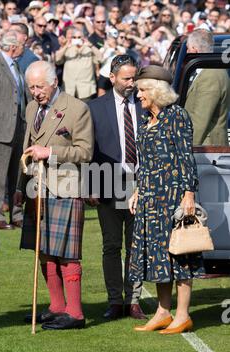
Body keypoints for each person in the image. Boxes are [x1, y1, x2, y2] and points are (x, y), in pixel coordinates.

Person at [16, 61, 94, 330]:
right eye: (31, 87)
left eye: (40, 86)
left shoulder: (77, 108)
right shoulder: (30, 108)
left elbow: (85, 152)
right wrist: (19, 187)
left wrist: (50, 153)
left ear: (54, 82)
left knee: (67, 254)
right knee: (45, 251)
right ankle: (56, 307)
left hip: (65, 188)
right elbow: (26, 148)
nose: (36, 92)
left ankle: (75, 313)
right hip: (35, 190)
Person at [128, 65, 205, 334]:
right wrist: (138, 190)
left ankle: (182, 315)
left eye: (142, 89)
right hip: (150, 197)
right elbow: (145, 163)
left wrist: (189, 194)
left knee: (179, 253)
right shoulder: (146, 120)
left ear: (157, 90)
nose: (138, 95)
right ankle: (163, 311)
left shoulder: (177, 117)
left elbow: (186, 158)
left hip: (173, 196)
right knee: (158, 256)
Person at [88, 55, 146, 321]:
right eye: (126, 78)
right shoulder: (95, 108)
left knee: (136, 244)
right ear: (112, 78)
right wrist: (90, 185)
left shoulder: (147, 105)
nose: (132, 83)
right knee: (111, 245)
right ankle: (115, 301)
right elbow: (90, 150)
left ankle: (134, 300)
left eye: (134, 77)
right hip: (108, 181)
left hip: (139, 183)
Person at [0, 31, 27, 229]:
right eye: (21, 44)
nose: (23, 47)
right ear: (12, 47)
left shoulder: (16, 66)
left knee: (16, 175)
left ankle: (17, 213)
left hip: (18, 127)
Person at [184, 29, 230, 146]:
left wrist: (185, 150)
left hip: (206, 149)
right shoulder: (207, 71)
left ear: (194, 49)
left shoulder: (210, 75)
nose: (187, 52)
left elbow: (200, 120)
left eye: (188, 48)